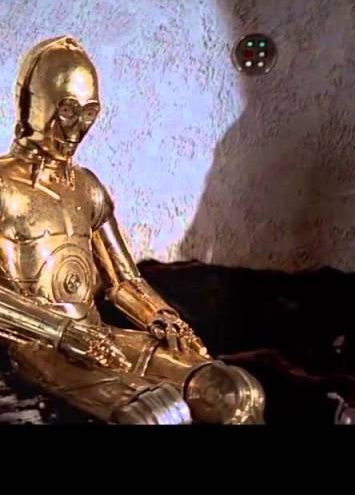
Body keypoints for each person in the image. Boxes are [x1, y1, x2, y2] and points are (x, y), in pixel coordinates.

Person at [0, 36, 264, 424]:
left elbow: (123, 280)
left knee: (234, 391)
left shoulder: (87, 187)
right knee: (156, 411)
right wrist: (62, 332)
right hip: (36, 349)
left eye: (88, 113)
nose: (75, 130)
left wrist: (162, 316)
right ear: (29, 103)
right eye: (67, 110)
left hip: (99, 338)